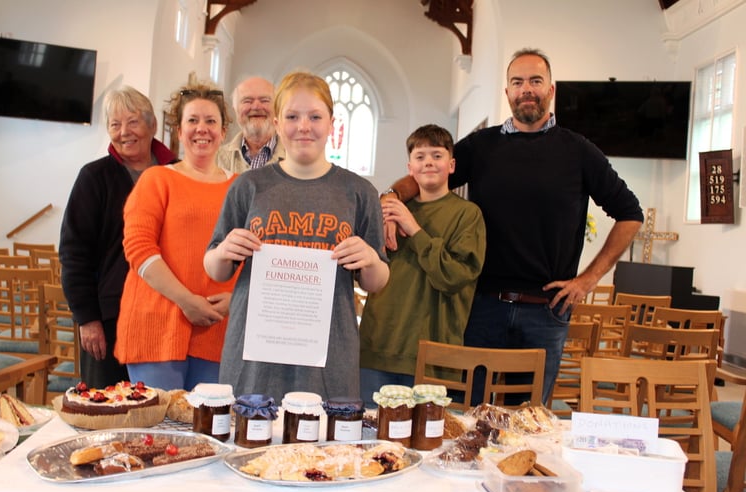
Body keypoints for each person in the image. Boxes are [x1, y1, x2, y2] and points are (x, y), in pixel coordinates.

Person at [383, 48, 644, 406]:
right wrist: (393, 196)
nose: (527, 89)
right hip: (482, 306)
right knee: (465, 413)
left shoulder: (578, 151)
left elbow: (631, 213)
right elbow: (430, 169)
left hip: (546, 309)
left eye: (535, 81)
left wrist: (589, 278)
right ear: (507, 92)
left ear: (551, 90)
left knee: (527, 419)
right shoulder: (482, 146)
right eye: (517, 82)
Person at [204, 71, 389, 402]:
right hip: (256, 352)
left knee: (323, 448)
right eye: (292, 116)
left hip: (328, 354)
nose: (304, 126)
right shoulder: (249, 187)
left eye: (315, 116)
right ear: (277, 122)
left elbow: (376, 281)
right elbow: (216, 268)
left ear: (332, 123)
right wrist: (223, 252)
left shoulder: (358, 192)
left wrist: (371, 260)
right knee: (250, 440)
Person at [114, 82, 239, 391]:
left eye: (211, 121)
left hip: (218, 328)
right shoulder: (157, 179)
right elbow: (139, 248)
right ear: (179, 131)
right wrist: (186, 301)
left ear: (223, 131)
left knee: (209, 431)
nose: (202, 129)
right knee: (158, 433)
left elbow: (252, 255)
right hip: (157, 325)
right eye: (192, 121)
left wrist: (236, 300)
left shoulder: (240, 188)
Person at [359, 124, 486, 405]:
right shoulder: (387, 210)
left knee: (428, 442)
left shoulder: (468, 215)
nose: (428, 161)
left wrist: (414, 230)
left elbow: (453, 277)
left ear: (452, 165)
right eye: (420, 156)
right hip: (379, 345)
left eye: (437, 155)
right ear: (409, 167)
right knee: (369, 439)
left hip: (433, 355)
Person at [60, 86, 177, 389]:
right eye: (115, 124)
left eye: (133, 122)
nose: (124, 132)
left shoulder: (178, 174)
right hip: (111, 317)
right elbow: (75, 254)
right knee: (108, 408)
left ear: (153, 125)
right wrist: (87, 319)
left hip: (169, 314)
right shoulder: (94, 178)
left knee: (161, 407)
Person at [217, 76, 285, 173]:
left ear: (277, 107)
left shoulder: (295, 158)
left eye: (264, 100)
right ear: (235, 109)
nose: (256, 106)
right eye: (247, 101)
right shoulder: (217, 159)